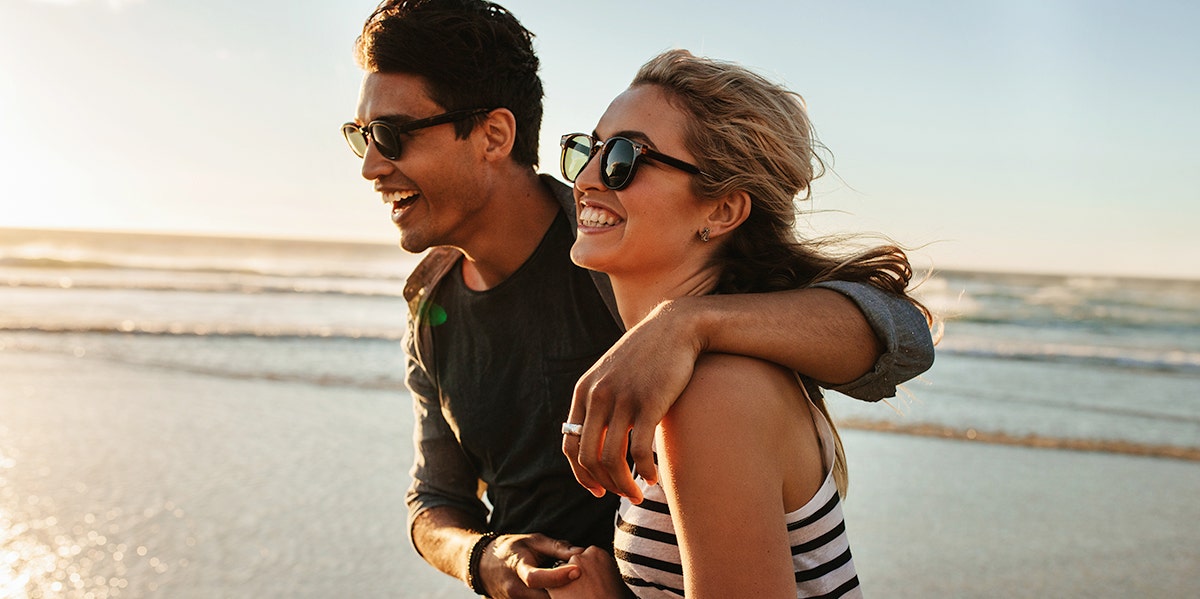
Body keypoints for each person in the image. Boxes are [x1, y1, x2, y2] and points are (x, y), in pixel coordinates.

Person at [342, 1, 934, 597]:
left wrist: (685, 325)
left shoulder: (619, 257)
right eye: (362, 136)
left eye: (392, 136)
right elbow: (437, 496)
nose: (370, 167)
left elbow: (904, 336)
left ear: (494, 134)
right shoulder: (430, 302)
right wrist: (487, 559)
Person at [546, 49, 927, 598]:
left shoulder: (714, 393)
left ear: (721, 211)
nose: (586, 178)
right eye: (587, 149)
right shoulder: (703, 373)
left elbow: (904, 333)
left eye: (624, 157)